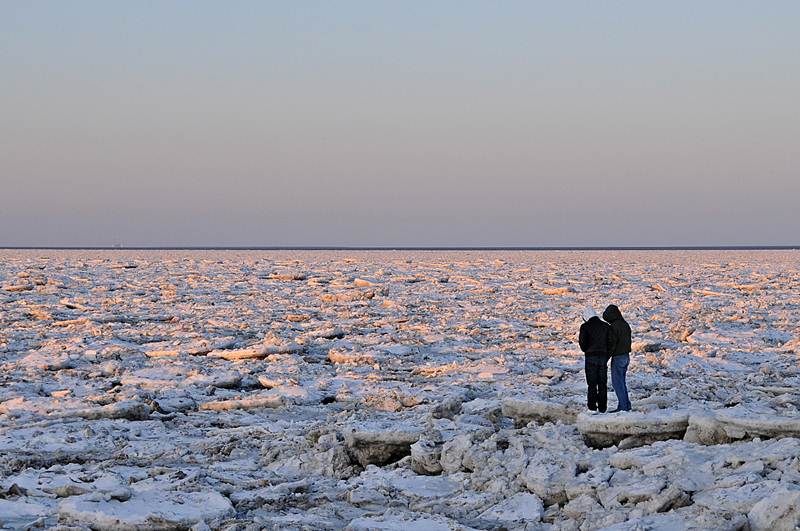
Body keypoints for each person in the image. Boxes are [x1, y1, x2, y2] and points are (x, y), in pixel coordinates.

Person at [578, 307, 610, 413]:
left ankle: (592, 407)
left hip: (591, 357)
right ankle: (602, 407)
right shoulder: (606, 326)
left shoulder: (585, 326)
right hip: (603, 357)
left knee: (592, 384)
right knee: (602, 383)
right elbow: (610, 342)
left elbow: (582, 342)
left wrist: (587, 350)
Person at [603, 304, 632, 412]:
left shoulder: (615, 327)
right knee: (622, 382)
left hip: (618, 357)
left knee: (617, 383)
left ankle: (623, 407)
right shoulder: (624, 324)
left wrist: (605, 358)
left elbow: (612, 344)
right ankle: (625, 405)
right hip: (626, 356)